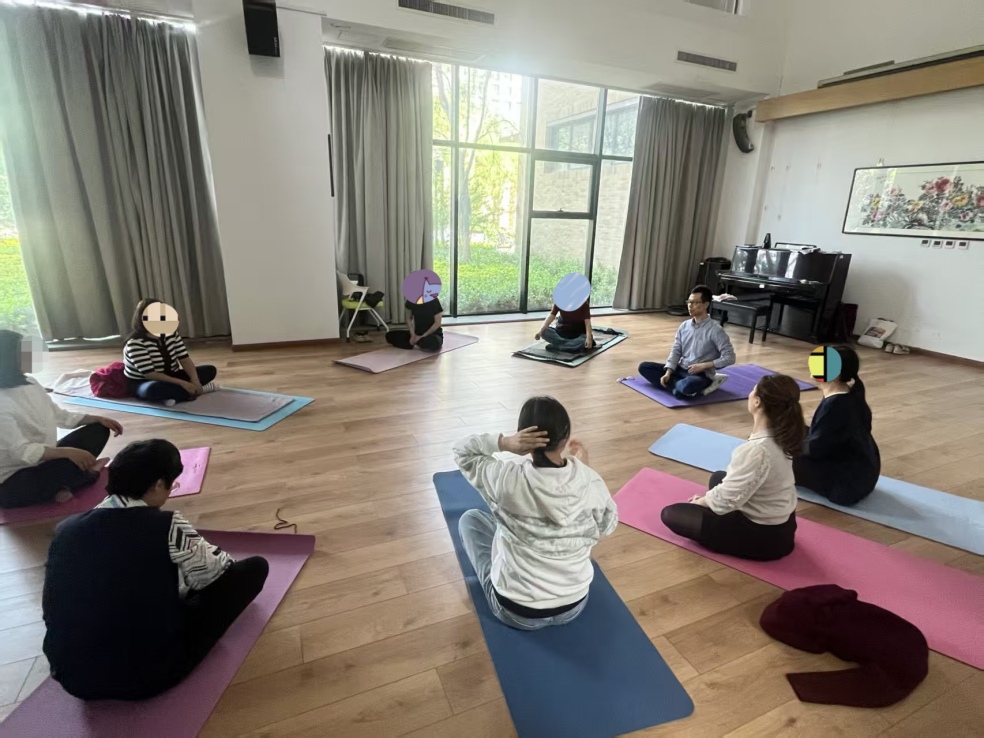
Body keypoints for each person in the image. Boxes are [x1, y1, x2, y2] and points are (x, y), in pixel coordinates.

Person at [42, 439, 269, 701]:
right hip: (148, 677)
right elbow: (219, 572)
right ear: (158, 485)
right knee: (254, 569)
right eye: (172, 484)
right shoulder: (166, 525)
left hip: (72, 678)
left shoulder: (66, 529)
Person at [453, 396, 618, 630]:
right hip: (574, 605)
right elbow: (608, 525)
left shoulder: (506, 480)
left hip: (515, 612)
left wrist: (504, 443)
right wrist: (585, 471)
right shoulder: (591, 481)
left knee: (471, 520)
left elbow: (462, 451)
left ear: (524, 441)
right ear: (565, 439)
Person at [660, 374, 806, 561]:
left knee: (671, 514)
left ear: (757, 402)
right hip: (784, 525)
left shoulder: (757, 450)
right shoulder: (784, 434)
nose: (750, 394)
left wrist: (700, 502)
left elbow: (725, 501)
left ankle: (731, 534)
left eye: (753, 390)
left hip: (766, 538)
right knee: (718, 477)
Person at [0, 329, 123, 509]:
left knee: (98, 430)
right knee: (25, 486)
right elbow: (22, 452)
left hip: (46, 459)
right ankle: (85, 476)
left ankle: (66, 483)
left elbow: (59, 414)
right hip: (14, 478)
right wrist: (67, 452)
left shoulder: (31, 382)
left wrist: (94, 418)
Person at [794, 346, 880, 505]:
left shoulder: (836, 405)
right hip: (863, 475)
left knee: (777, 456)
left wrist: (787, 447)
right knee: (790, 430)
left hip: (846, 487)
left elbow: (815, 449)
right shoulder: (850, 394)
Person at [638, 284, 736, 398]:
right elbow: (676, 350)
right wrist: (668, 372)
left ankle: (681, 387)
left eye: (695, 303)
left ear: (706, 304)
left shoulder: (716, 330)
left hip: (699, 374)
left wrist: (704, 366)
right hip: (680, 369)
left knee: (689, 385)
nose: (690, 306)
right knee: (644, 367)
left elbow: (730, 357)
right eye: (689, 302)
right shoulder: (684, 326)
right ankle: (676, 388)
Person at [123, 298, 219, 406]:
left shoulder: (171, 334)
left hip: (171, 375)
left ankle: (176, 395)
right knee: (153, 390)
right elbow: (150, 374)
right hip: (145, 381)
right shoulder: (135, 343)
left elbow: (184, 359)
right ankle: (197, 390)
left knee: (210, 370)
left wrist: (195, 380)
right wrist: (182, 383)